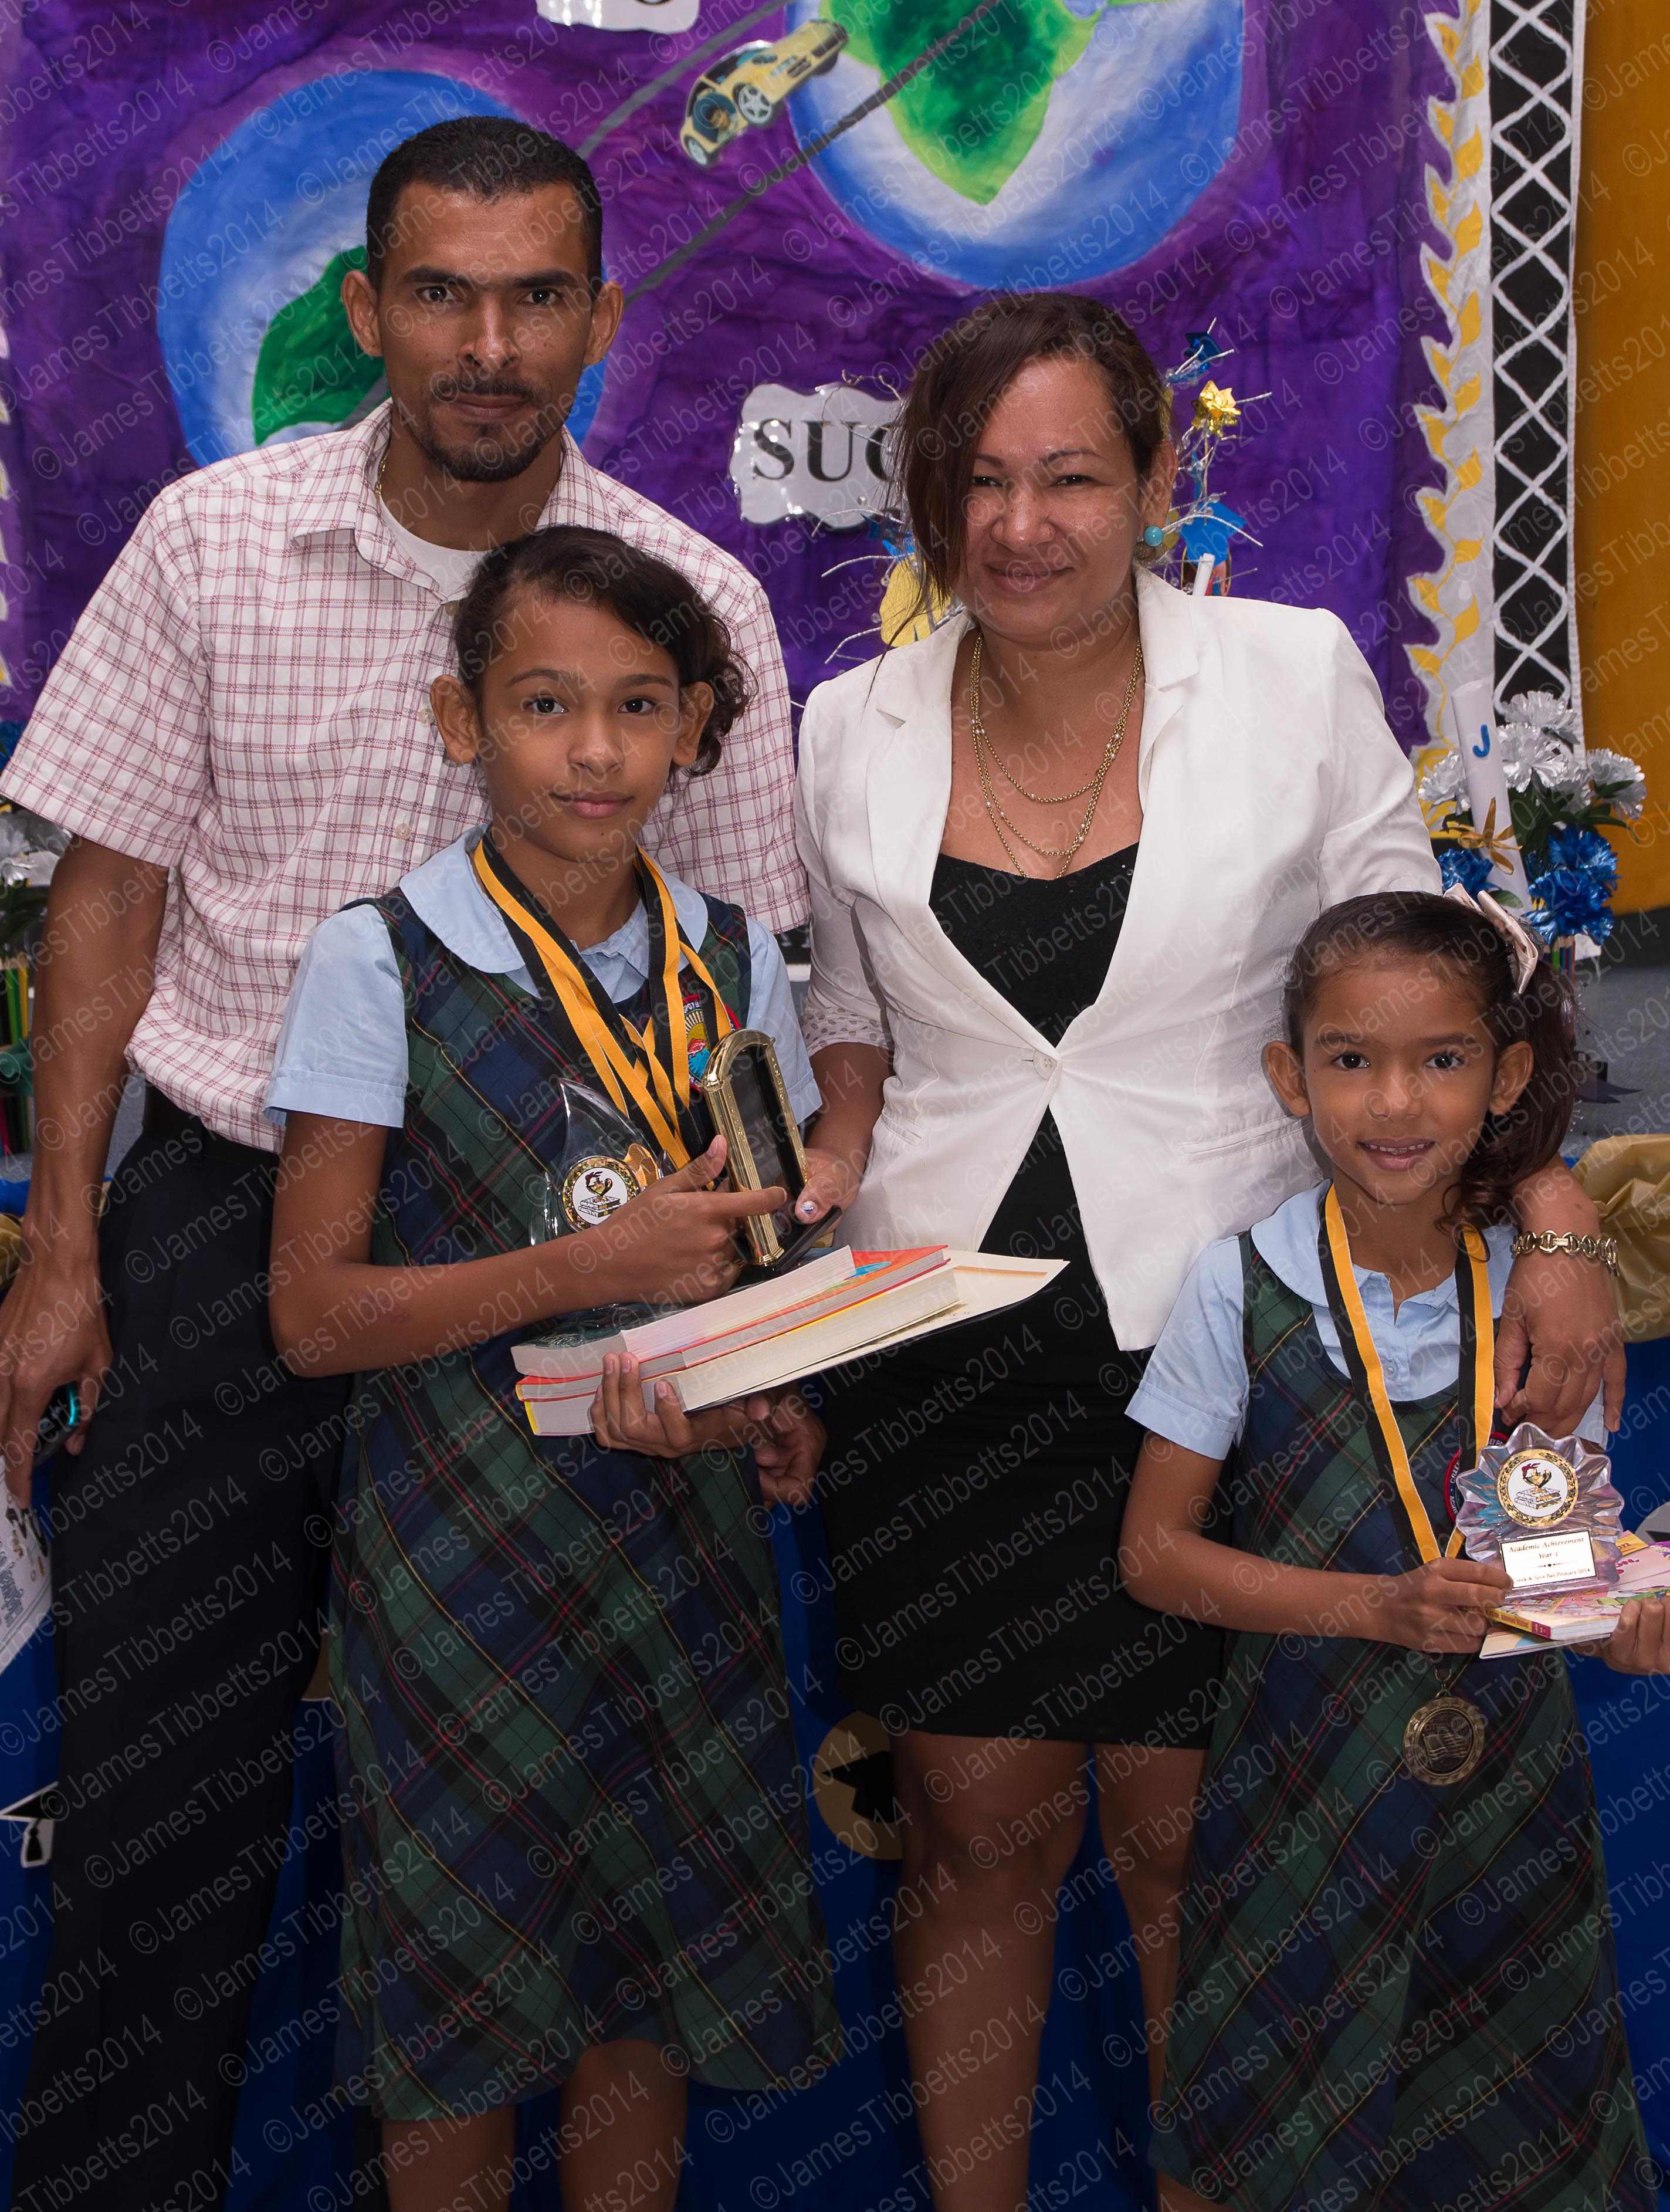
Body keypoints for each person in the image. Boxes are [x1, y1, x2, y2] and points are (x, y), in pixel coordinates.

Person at [0, 117, 805, 2212]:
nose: (487, 343)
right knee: (160, 1823)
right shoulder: (212, 544)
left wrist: (756, 1333)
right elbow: (105, 900)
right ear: (366, 309)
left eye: (536, 297)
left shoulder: (692, 599)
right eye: (442, 293)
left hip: (577, 1275)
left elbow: (739, 1005)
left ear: (603, 320)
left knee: (541, 1842)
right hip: (227, 1237)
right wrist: (61, 1246)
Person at [790, 293, 1623, 2212]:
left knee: (1205, 1846)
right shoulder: (849, 722)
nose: (1020, 526)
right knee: (970, 1832)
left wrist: (1555, 1210)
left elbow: (1437, 985)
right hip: (940, 1342)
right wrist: (826, 1146)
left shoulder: (1287, 673)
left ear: (1156, 480)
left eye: (1070, 477)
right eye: (978, 481)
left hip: (1240, 1344)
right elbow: (849, 1014)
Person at [264, 527, 838, 2212]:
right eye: (544, 704)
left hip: (682, 1553)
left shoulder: (733, 957)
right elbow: (313, 1314)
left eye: (639, 706)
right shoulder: (379, 957)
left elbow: (765, 1257)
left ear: (695, 728)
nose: (595, 750)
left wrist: (774, 1395)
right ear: (462, 720)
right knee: (458, 2000)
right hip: (461, 1559)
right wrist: (583, 1272)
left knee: (645, 1985)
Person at [1120, 889, 1652, 2212]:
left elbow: (1558, 1570)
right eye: (1351, 1060)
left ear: (1507, 1078)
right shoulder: (1238, 1285)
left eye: (1442, 1059)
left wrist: (1627, 1623)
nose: (1395, 1102)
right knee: (1267, 2133)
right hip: (1300, 1798)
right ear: (1288, 1076)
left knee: (1507, 2144)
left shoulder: (1547, 1306)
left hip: (1508, 1815)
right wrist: (1373, 1605)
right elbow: (1155, 1556)